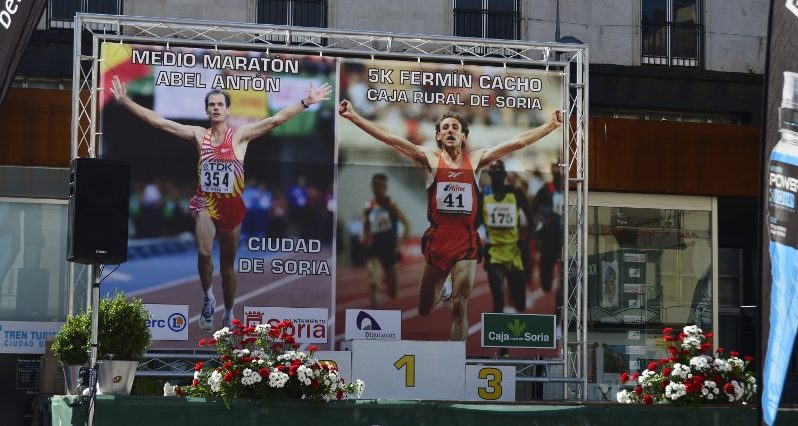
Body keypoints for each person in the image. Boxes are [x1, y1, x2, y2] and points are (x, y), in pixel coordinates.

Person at [111, 75, 331, 331]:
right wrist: (126, 101)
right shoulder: (198, 135)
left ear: (227, 110)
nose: (215, 107)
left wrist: (306, 101)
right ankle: (208, 296)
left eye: (219, 104)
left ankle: (228, 310)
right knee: (204, 253)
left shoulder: (240, 136)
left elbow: (276, 120)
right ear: (206, 110)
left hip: (231, 207)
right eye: (211, 104)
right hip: (205, 203)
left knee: (227, 269)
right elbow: (158, 122)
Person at [338, 100, 562, 340]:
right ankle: (443, 290)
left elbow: (519, 142)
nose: (450, 131)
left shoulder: (475, 160)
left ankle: (454, 359)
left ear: (464, 136)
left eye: (455, 127)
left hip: (465, 240)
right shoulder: (430, 159)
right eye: (445, 127)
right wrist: (354, 117)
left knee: (460, 305)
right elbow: (390, 139)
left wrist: (550, 125)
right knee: (424, 309)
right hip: (438, 240)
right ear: (437, 136)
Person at [482, 160, 531, 315]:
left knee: (520, 302)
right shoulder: (483, 194)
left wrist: (526, 242)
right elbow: (476, 223)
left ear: (504, 174)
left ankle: (518, 306)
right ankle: (496, 334)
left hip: (514, 250)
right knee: (498, 297)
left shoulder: (516, 193)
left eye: (499, 170)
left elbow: (531, 220)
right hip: (493, 251)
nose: (496, 174)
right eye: (493, 170)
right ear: (489, 174)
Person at [362, 173, 410, 308]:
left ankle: (386, 277)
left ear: (386, 187)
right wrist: (366, 237)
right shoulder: (368, 206)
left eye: (382, 186)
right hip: (375, 250)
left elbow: (407, 224)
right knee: (373, 284)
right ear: (372, 186)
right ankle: (375, 319)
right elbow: (366, 226)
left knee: (392, 293)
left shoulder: (392, 205)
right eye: (377, 185)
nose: (380, 188)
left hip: (391, 250)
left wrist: (400, 245)